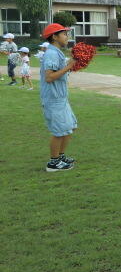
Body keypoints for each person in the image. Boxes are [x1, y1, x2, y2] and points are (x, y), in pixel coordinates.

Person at [40, 23, 77, 172]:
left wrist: (72, 64)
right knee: (59, 131)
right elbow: (49, 77)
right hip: (53, 99)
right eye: (64, 34)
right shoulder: (51, 53)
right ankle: (53, 163)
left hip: (60, 98)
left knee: (69, 127)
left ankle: (60, 157)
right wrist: (69, 66)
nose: (67, 37)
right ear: (54, 37)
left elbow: (59, 71)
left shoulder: (57, 52)